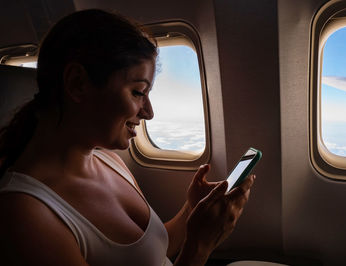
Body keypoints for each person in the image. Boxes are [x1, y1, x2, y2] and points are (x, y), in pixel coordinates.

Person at [0, 9, 255, 266]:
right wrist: (199, 247)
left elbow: (153, 252)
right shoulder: (24, 213)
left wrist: (193, 209)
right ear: (77, 83)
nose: (149, 112)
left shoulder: (111, 162)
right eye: (137, 92)